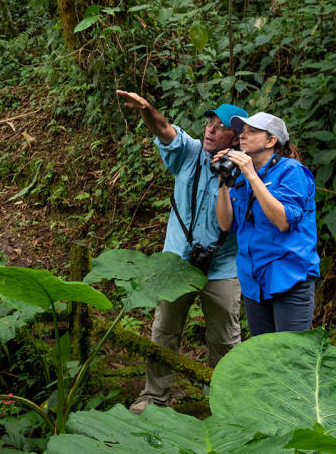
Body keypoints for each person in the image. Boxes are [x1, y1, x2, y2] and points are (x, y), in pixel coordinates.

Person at [115, 90, 247, 414]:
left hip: (223, 265)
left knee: (225, 340)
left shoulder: (247, 171)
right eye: (209, 123)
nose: (210, 129)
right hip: (178, 257)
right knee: (164, 329)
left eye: (219, 126)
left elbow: (238, 222)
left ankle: (224, 403)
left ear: (237, 136)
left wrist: (228, 177)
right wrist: (146, 110)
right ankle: (154, 397)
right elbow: (163, 130)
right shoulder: (190, 152)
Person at [214, 112, 320, 336]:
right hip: (254, 281)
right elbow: (225, 224)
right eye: (242, 132)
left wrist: (252, 175)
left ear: (271, 141)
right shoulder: (241, 176)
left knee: (290, 358)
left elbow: (283, 221)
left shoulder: (292, 171)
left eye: (252, 132)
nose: (243, 136)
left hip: (288, 278)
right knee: (264, 360)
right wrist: (223, 182)